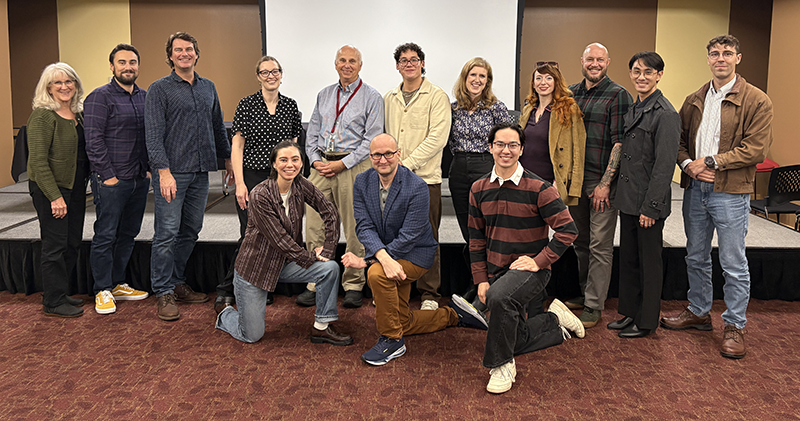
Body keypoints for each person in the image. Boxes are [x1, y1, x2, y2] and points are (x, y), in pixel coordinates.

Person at [661, 35, 773, 359]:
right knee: (695, 255)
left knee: (733, 262)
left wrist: (712, 162)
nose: (720, 58)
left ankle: (735, 325)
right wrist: (688, 166)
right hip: (696, 190)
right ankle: (698, 311)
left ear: (738, 57)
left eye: (727, 53)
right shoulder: (695, 98)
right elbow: (679, 141)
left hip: (730, 192)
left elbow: (755, 149)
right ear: (708, 59)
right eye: (714, 53)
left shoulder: (757, 100)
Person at [342, 134, 486, 366]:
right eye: (377, 155)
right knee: (401, 320)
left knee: (377, 275)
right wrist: (383, 258)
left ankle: (392, 340)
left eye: (389, 153)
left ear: (398, 154)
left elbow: (410, 236)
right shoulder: (362, 181)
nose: (383, 159)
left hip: (416, 255)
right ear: (370, 157)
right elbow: (364, 225)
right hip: (387, 254)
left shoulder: (417, 186)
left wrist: (374, 262)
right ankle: (453, 315)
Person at [467, 122, 583, 394]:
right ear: (490, 148)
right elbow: (476, 239)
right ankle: (552, 320)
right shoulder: (478, 189)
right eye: (500, 144)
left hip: (531, 271)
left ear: (521, 149)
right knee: (510, 335)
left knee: (498, 300)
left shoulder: (540, 188)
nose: (505, 150)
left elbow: (568, 230)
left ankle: (502, 364)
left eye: (512, 145)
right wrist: (481, 280)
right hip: (497, 271)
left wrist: (539, 261)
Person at [216, 141, 352, 346]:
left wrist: (330, 247)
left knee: (329, 268)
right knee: (252, 335)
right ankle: (225, 313)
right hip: (255, 270)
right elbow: (281, 240)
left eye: (295, 159)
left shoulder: (301, 184)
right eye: (284, 160)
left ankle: (321, 327)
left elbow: (330, 212)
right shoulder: (260, 194)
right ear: (274, 164)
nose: (290, 165)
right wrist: (311, 257)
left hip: (285, 265)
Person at [145, 32, 232, 321]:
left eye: (189, 49)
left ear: (196, 53)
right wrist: (163, 172)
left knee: (191, 230)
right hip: (172, 173)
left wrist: (228, 162)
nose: (184, 53)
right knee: (166, 233)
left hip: (200, 171)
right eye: (178, 50)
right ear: (170, 56)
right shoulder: (159, 89)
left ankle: (177, 282)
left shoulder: (208, 87)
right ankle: (163, 291)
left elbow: (218, 127)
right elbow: (154, 135)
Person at [214, 56, 302, 314]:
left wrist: (293, 181)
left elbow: (294, 146)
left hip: (281, 178)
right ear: (258, 76)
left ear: (281, 74)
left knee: (277, 233)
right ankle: (227, 289)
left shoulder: (289, 106)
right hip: (252, 177)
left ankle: (261, 286)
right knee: (251, 234)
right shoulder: (247, 105)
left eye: (275, 71)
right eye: (265, 72)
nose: (270, 75)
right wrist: (240, 184)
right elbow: (237, 146)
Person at [299, 45, 384, 309]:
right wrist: (314, 160)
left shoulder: (372, 97)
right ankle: (317, 280)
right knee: (314, 226)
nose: (347, 65)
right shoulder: (324, 94)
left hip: (352, 167)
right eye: (342, 60)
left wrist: (342, 164)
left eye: (352, 61)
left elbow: (371, 138)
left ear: (360, 65)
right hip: (320, 166)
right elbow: (312, 132)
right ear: (335, 63)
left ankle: (353, 284)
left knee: (355, 225)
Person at [608, 52, 680, 338]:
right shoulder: (635, 108)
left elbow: (664, 167)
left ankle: (646, 320)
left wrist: (651, 207)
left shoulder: (666, 114)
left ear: (659, 75)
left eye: (648, 72)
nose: (641, 77)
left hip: (648, 205)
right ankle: (629, 312)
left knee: (649, 264)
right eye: (636, 71)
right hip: (628, 200)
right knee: (629, 260)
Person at [566, 43, 633, 328]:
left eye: (600, 60)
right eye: (590, 59)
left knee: (600, 244)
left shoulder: (618, 95)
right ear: (581, 61)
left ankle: (594, 304)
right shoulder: (569, 93)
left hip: (600, 181)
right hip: (574, 181)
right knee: (580, 242)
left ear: (608, 62)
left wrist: (606, 183)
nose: (594, 64)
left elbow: (620, 142)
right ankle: (585, 294)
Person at [384, 42, 452, 311]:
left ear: (423, 63)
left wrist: (407, 164)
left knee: (427, 237)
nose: (409, 63)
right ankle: (398, 287)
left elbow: (438, 138)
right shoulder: (389, 97)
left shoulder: (437, 96)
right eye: (403, 60)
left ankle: (429, 295)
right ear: (397, 66)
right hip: (393, 180)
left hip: (424, 179)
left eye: (414, 59)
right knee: (394, 235)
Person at [85, 43, 150, 315]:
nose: (128, 67)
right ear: (112, 66)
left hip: (138, 178)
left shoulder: (145, 96)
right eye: (122, 62)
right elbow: (93, 140)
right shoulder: (99, 97)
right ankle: (102, 288)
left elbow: (150, 136)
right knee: (106, 235)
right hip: (111, 181)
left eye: (132, 62)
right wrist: (108, 176)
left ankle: (117, 283)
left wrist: (147, 169)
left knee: (128, 234)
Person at [448, 57, 513, 302]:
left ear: (488, 81)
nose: (476, 80)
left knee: (487, 230)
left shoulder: (496, 108)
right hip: (459, 169)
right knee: (468, 232)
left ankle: (492, 284)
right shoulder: (453, 108)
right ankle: (476, 282)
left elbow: (508, 140)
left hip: (486, 167)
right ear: (465, 78)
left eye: (482, 76)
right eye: (472, 75)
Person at [27, 62, 89, 318]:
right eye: (57, 82)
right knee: (54, 245)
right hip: (51, 189)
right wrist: (54, 197)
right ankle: (52, 301)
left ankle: (61, 293)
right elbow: (38, 162)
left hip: (74, 188)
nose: (64, 87)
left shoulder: (78, 114)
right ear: (48, 88)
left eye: (69, 81)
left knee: (72, 242)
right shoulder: (43, 115)